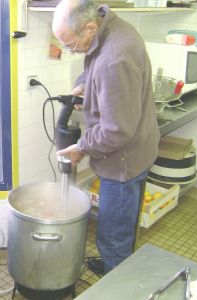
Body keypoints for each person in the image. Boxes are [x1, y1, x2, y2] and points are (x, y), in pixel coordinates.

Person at [52, 0, 160, 275]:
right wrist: (87, 84)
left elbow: (116, 130)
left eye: (70, 44)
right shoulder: (110, 27)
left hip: (123, 161)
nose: (70, 50)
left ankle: (117, 276)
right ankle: (116, 261)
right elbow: (96, 64)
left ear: (89, 27)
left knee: (112, 234)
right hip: (134, 150)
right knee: (121, 225)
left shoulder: (114, 60)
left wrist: (82, 146)